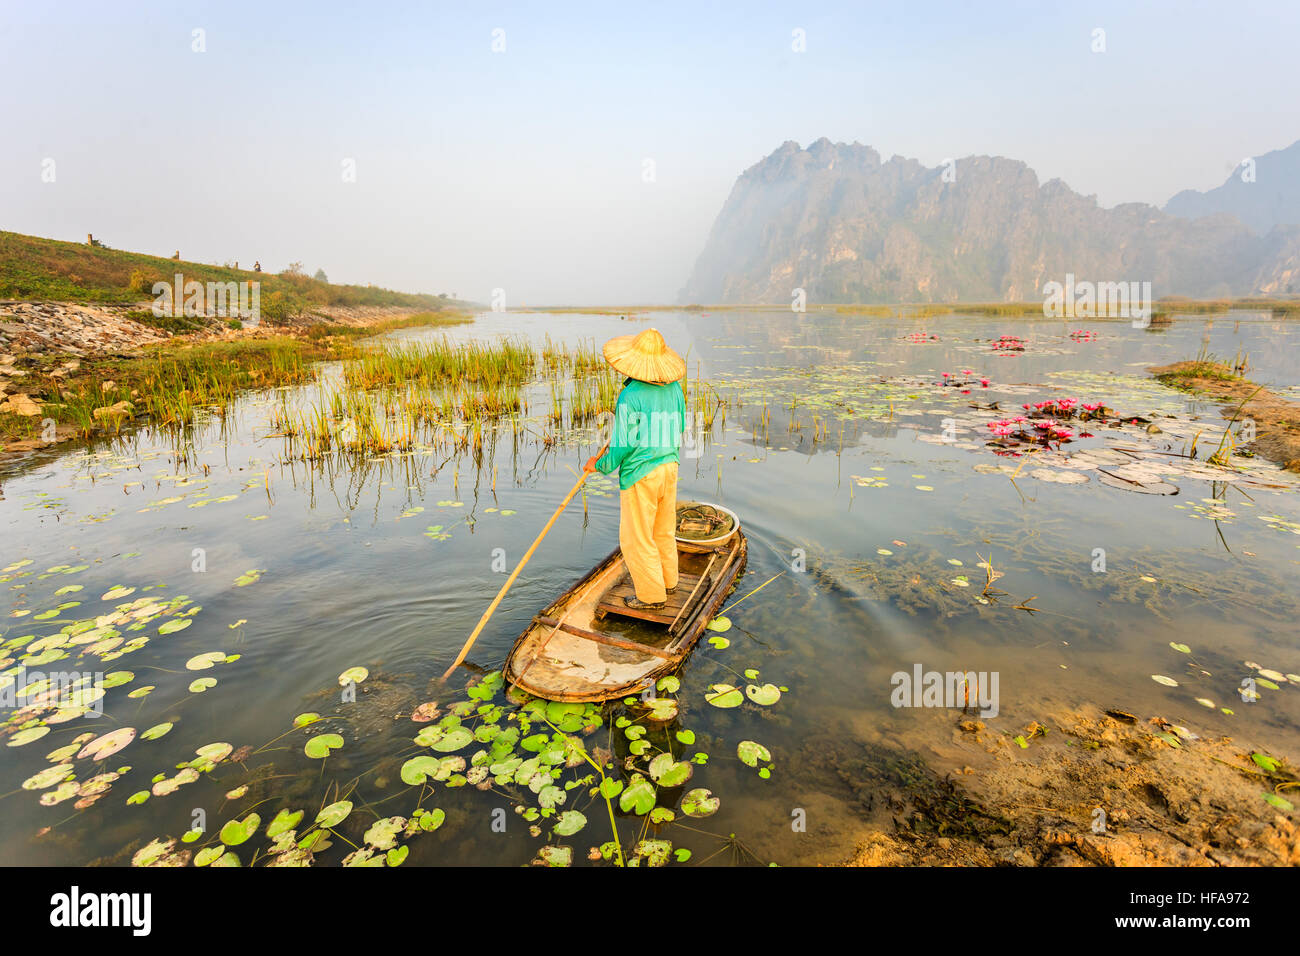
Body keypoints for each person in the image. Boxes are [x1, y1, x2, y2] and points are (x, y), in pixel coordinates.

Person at [584, 328, 687, 610]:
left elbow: (623, 444)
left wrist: (599, 465)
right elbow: (679, 426)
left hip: (642, 475)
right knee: (663, 530)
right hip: (670, 466)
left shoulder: (631, 396)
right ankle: (669, 581)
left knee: (637, 539)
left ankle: (652, 597)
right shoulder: (674, 388)